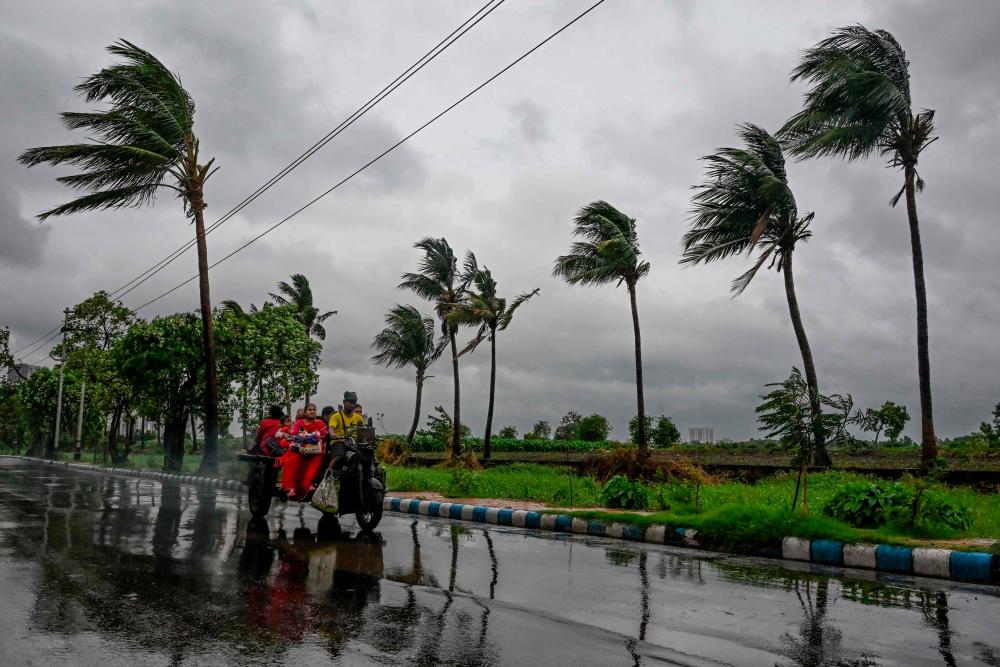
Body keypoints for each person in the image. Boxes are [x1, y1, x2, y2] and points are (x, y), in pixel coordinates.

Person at [280, 403, 329, 500]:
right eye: (309, 409)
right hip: (300, 450)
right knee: (293, 459)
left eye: (314, 409)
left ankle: (307, 486)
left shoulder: (320, 423)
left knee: (309, 475)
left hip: (315, 451)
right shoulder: (299, 423)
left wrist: (315, 437)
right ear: (305, 412)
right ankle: (290, 487)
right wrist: (305, 437)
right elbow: (294, 435)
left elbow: (325, 436)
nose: (312, 411)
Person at [327, 391, 366, 472]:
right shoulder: (336, 416)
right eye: (350, 402)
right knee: (340, 455)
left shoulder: (359, 418)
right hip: (339, 441)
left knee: (366, 455)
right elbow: (331, 427)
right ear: (344, 402)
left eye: (354, 403)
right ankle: (329, 474)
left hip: (353, 442)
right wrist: (332, 433)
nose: (352, 405)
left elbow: (363, 430)